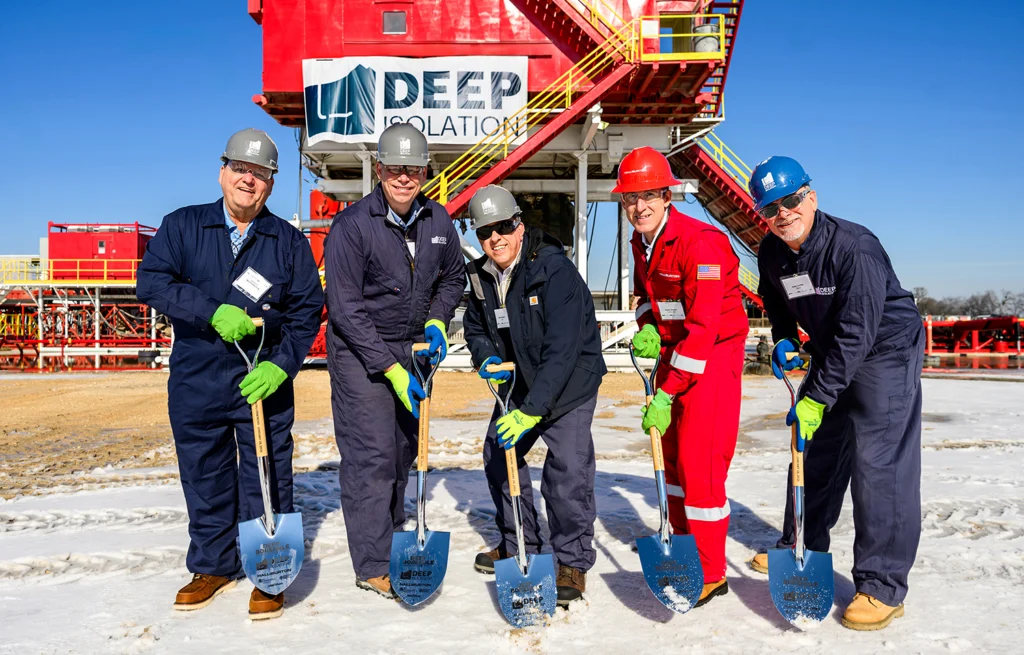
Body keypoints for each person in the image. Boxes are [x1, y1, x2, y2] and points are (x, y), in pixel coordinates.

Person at [136, 128, 324, 620]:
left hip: (261, 379)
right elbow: (151, 282)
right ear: (222, 172)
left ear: (271, 184)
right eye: (240, 168)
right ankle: (212, 566)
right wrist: (211, 311)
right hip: (197, 377)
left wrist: (281, 366)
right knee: (204, 473)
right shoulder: (183, 226)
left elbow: (307, 311)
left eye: (260, 173)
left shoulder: (287, 241)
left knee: (266, 475)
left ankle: (268, 570)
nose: (248, 179)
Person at [746, 156, 924, 631]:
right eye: (770, 208)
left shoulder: (855, 247)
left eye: (790, 200)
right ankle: (801, 543)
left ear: (811, 196)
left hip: (884, 349)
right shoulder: (772, 251)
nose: (783, 213)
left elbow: (857, 333)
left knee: (878, 463)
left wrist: (818, 396)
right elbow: (776, 300)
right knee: (815, 450)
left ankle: (882, 585)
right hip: (833, 347)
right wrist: (784, 338)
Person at [324, 123, 465, 598]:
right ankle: (372, 563)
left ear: (426, 172)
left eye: (414, 169)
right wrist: (390, 369)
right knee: (373, 457)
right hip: (361, 354)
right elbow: (345, 309)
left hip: (414, 349)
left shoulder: (438, 221)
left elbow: (453, 278)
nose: (405, 177)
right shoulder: (352, 226)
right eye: (395, 168)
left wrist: (438, 321)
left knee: (404, 453)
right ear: (379, 168)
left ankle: (393, 535)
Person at [462, 185, 606, 607]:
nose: (496, 238)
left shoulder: (554, 271)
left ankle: (571, 561)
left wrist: (532, 411)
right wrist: (486, 356)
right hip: (520, 381)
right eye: (485, 231)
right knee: (498, 454)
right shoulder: (481, 276)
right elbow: (475, 326)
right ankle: (518, 542)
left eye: (504, 227)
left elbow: (562, 351)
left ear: (520, 226)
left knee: (567, 473)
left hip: (569, 384)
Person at [618, 146, 749, 607]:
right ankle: (681, 543)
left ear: (667, 196)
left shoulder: (701, 243)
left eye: (649, 195)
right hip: (674, 354)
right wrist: (648, 326)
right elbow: (645, 297)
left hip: (710, 359)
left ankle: (711, 573)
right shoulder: (641, 242)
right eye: (631, 198)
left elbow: (703, 327)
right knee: (671, 459)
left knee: (700, 465)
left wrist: (668, 391)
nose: (640, 207)